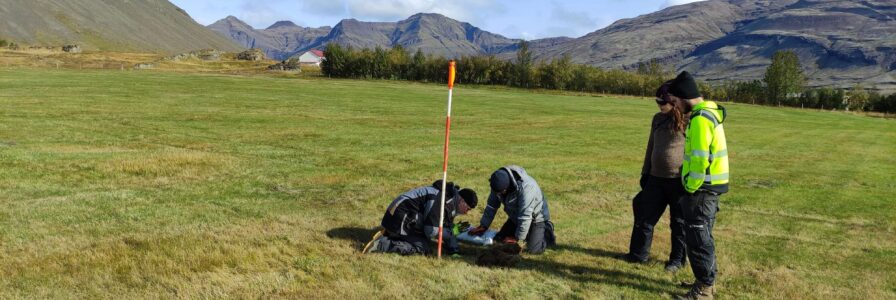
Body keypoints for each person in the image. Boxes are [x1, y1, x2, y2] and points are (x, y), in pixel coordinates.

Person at [668, 71, 730, 300]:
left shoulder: (701, 119)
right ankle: (704, 280)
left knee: (698, 240)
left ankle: (704, 290)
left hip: (702, 189)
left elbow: (700, 158)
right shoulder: (708, 113)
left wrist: (690, 187)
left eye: (675, 100)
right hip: (710, 186)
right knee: (702, 237)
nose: (674, 105)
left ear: (683, 97)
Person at [622, 81, 689, 273]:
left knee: (678, 223)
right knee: (644, 217)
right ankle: (638, 255)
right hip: (655, 179)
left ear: (674, 101)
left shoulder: (688, 120)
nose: (660, 105)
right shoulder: (657, 119)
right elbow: (651, 146)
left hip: (678, 181)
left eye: (663, 101)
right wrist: (645, 171)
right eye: (657, 101)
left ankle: (677, 260)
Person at [363, 181, 478, 256]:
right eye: (467, 208)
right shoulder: (442, 199)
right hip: (399, 216)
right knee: (423, 247)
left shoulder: (451, 200)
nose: (467, 213)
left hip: (400, 216)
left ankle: (392, 233)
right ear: (462, 201)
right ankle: (381, 243)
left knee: (427, 236)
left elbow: (443, 225)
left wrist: (454, 248)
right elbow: (431, 230)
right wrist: (450, 232)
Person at [468, 166, 555, 254]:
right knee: (499, 240)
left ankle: (547, 229)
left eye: (501, 192)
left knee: (534, 250)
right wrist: (483, 225)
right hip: (516, 216)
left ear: (507, 187)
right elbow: (491, 206)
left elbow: (525, 216)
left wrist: (518, 238)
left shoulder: (527, 188)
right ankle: (528, 233)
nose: (498, 194)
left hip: (537, 218)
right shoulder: (497, 181)